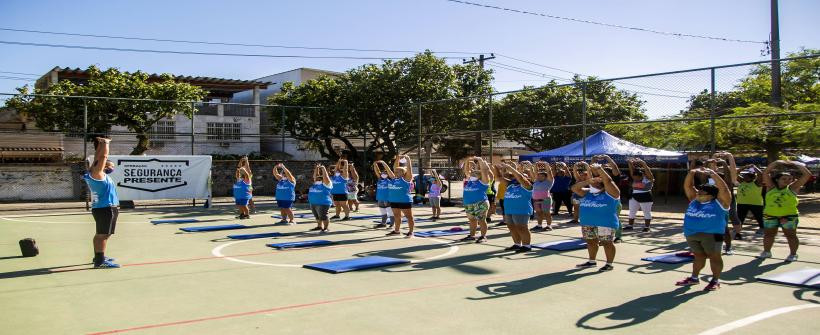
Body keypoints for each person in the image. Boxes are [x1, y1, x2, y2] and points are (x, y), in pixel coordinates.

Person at [677, 166, 732, 291]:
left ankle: (715, 281)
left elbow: (724, 189)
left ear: (712, 195)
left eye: (701, 193)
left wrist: (713, 174)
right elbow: (688, 187)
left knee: (715, 257)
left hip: (712, 235)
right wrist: (691, 173)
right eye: (698, 192)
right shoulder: (694, 200)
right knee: (698, 256)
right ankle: (694, 278)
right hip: (692, 234)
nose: (698, 194)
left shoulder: (721, 203)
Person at [571, 162, 621, 272]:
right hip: (588, 222)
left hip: (605, 223)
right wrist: (588, 181)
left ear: (602, 184)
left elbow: (609, 181)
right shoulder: (588, 192)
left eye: (597, 181)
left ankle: (609, 264)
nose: (593, 182)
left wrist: (600, 170)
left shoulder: (612, 193)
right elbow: (574, 188)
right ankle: (592, 261)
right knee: (590, 241)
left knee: (607, 243)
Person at [758, 160, 811, 262]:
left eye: (790, 179)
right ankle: (766, 252)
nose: (787, 180)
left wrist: (796, 164)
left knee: (791, 235)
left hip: (789, 217)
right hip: (770, 215)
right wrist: (776, 163)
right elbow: (765, 173)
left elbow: (807, 175)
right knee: (769, 235)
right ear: (777, 179)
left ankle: (793, 254)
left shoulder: (793, 188)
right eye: (784, 178)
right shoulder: (771, 187)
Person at [84, 137, 121, 269]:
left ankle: (99, 256)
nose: (112, 168)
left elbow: (98, 158)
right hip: (106, 208)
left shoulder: (93, 173)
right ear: (103, 166)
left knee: (101, 234)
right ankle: (99, 262)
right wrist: (105, 143)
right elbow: (103, 156)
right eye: (111, 166)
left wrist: (99, 144)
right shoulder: (98, 174)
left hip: (100, 208)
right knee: (103, 235)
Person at [500, 162, 535, 252]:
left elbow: (520, 177)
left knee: (522, 227)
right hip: (509, 210)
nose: (517, 177)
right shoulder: (510, 185)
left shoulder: (527, 186)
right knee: (511, 227)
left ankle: (527, 246)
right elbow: (498, 177)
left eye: (524, 176)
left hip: (521, 210)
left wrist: (511, 168)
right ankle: (517, 244)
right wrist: (499, 168)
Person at [460, 157, 494, 243]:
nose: (472, 173)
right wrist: (467, 161)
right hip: (469, 204)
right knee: (472, 220)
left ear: (479, 176)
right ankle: (472, 235)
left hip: (480, 203)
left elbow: (484, 171)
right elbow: (466, 171)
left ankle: (483, 236)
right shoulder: (470, 182)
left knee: (481, 220)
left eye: (474, 173)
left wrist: (480, 160)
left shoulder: (483, 182)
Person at [385, 155, 416, 238]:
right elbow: (392, 168)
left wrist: (408, 159)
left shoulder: (406, 179)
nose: (395, 172)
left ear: (403, 173)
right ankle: (397, 231)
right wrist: (398, 158)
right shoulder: (393, 179)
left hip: (404, 201)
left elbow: (409, 170)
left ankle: (411, 232)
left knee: (409, 217)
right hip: (394, 201)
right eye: (395, 171)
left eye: (398, 171)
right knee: (397, 216)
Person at [625, 158, 655, 232]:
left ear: (642, 175)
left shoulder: (649, 179)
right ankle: (630, 225)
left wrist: (643, 163)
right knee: (632, 211)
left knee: (646, 212)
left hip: (645, 196)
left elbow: (649, 173)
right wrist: (629, 162)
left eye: (637, 177)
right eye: (634, 177)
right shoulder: (635, 177)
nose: (635, 179)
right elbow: (632, 171)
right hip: (634, 196)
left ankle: (647, 227)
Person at [736, 165, 765, 236]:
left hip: (755, 203)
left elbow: (760, 174)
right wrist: (744, 167)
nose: (744, 177)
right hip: (742, 203)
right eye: (744, 175)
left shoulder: (757, 183)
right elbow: (735, 173)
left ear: (752, 177)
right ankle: (737, 230)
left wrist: (754, 167)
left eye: (747, 176)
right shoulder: (742, 181)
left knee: (759, 218)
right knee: (740, 218)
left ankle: (763, 229)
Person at [530, 161, 555, 231]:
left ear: (545, 177)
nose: (540, 177)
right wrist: (535, 165)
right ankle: (539, 225)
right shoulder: (536, 181)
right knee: (538, 213)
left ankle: (549, 226)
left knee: (547, 213)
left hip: (546, 199)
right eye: (539, 175)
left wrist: (546, 165)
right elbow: (535, 172)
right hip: (536, 199)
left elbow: (550, 173)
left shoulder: (549, 181)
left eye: (542, 176)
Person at [308, 164, 333, 232]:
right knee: (317, 216)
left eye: (319, 177)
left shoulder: (327, 183)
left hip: (323, 203)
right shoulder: (315, 183)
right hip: (313, 202)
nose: (317, 178)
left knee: (323, 216)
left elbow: (326, 177)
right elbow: (314, 176)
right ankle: (319, 226)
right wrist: (316, 168)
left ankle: (326, 228)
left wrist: (323, 168)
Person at [372, 160, 395, 228]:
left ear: (387, 175)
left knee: (390, 211)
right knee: (382, 211)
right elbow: (377, 171)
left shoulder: (390, 181)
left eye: (385, 173)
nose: (383, 174)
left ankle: (392, 223)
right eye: (382, 173)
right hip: (380, 198)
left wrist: (383, 163)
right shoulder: (379, 179)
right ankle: (383, 223)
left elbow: (389, 171)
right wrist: (375, 164)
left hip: (387, 198)